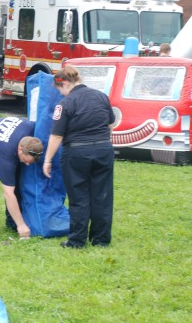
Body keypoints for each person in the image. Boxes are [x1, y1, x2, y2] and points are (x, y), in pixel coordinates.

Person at [42, 66, 115, 248]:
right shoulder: (101, 96)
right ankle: (100, 240)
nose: (62, 94)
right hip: (103, 150)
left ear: (64, 83)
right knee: (102, 196)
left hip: (77, 153)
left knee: (79, 197)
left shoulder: (65, 104)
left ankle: (77, 240)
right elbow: (111, 123)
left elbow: (57, 135)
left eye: (60, 90)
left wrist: (48, 159)